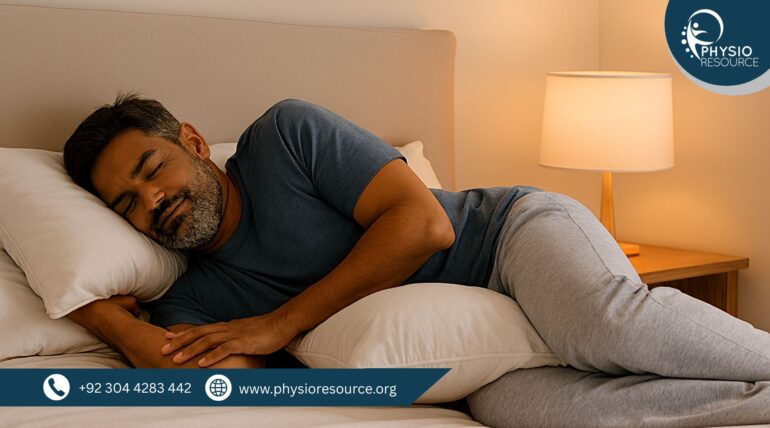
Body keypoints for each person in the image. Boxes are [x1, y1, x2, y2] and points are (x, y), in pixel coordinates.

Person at [63, 96, 770, 384]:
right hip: (468, 347)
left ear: (192, 143)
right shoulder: (199, 299)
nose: (152, 202)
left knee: (604, 325)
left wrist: (282, 324)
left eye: (152, 170)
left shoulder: (284, 137)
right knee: (564, 415)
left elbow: (424, 224)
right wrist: (95, 314)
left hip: (508, 237)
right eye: (126, 204)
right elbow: (195, 375)